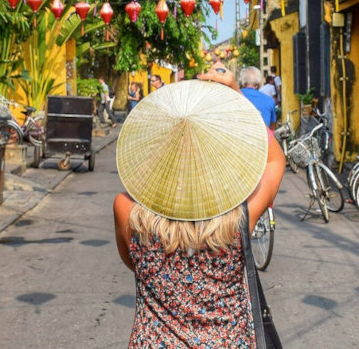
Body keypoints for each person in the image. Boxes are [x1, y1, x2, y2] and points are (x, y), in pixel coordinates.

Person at [114, 62, 285, 348]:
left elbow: (132, 262)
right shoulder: (239, 219)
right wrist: (235, 94)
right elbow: (274, 159)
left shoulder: (126, 210)